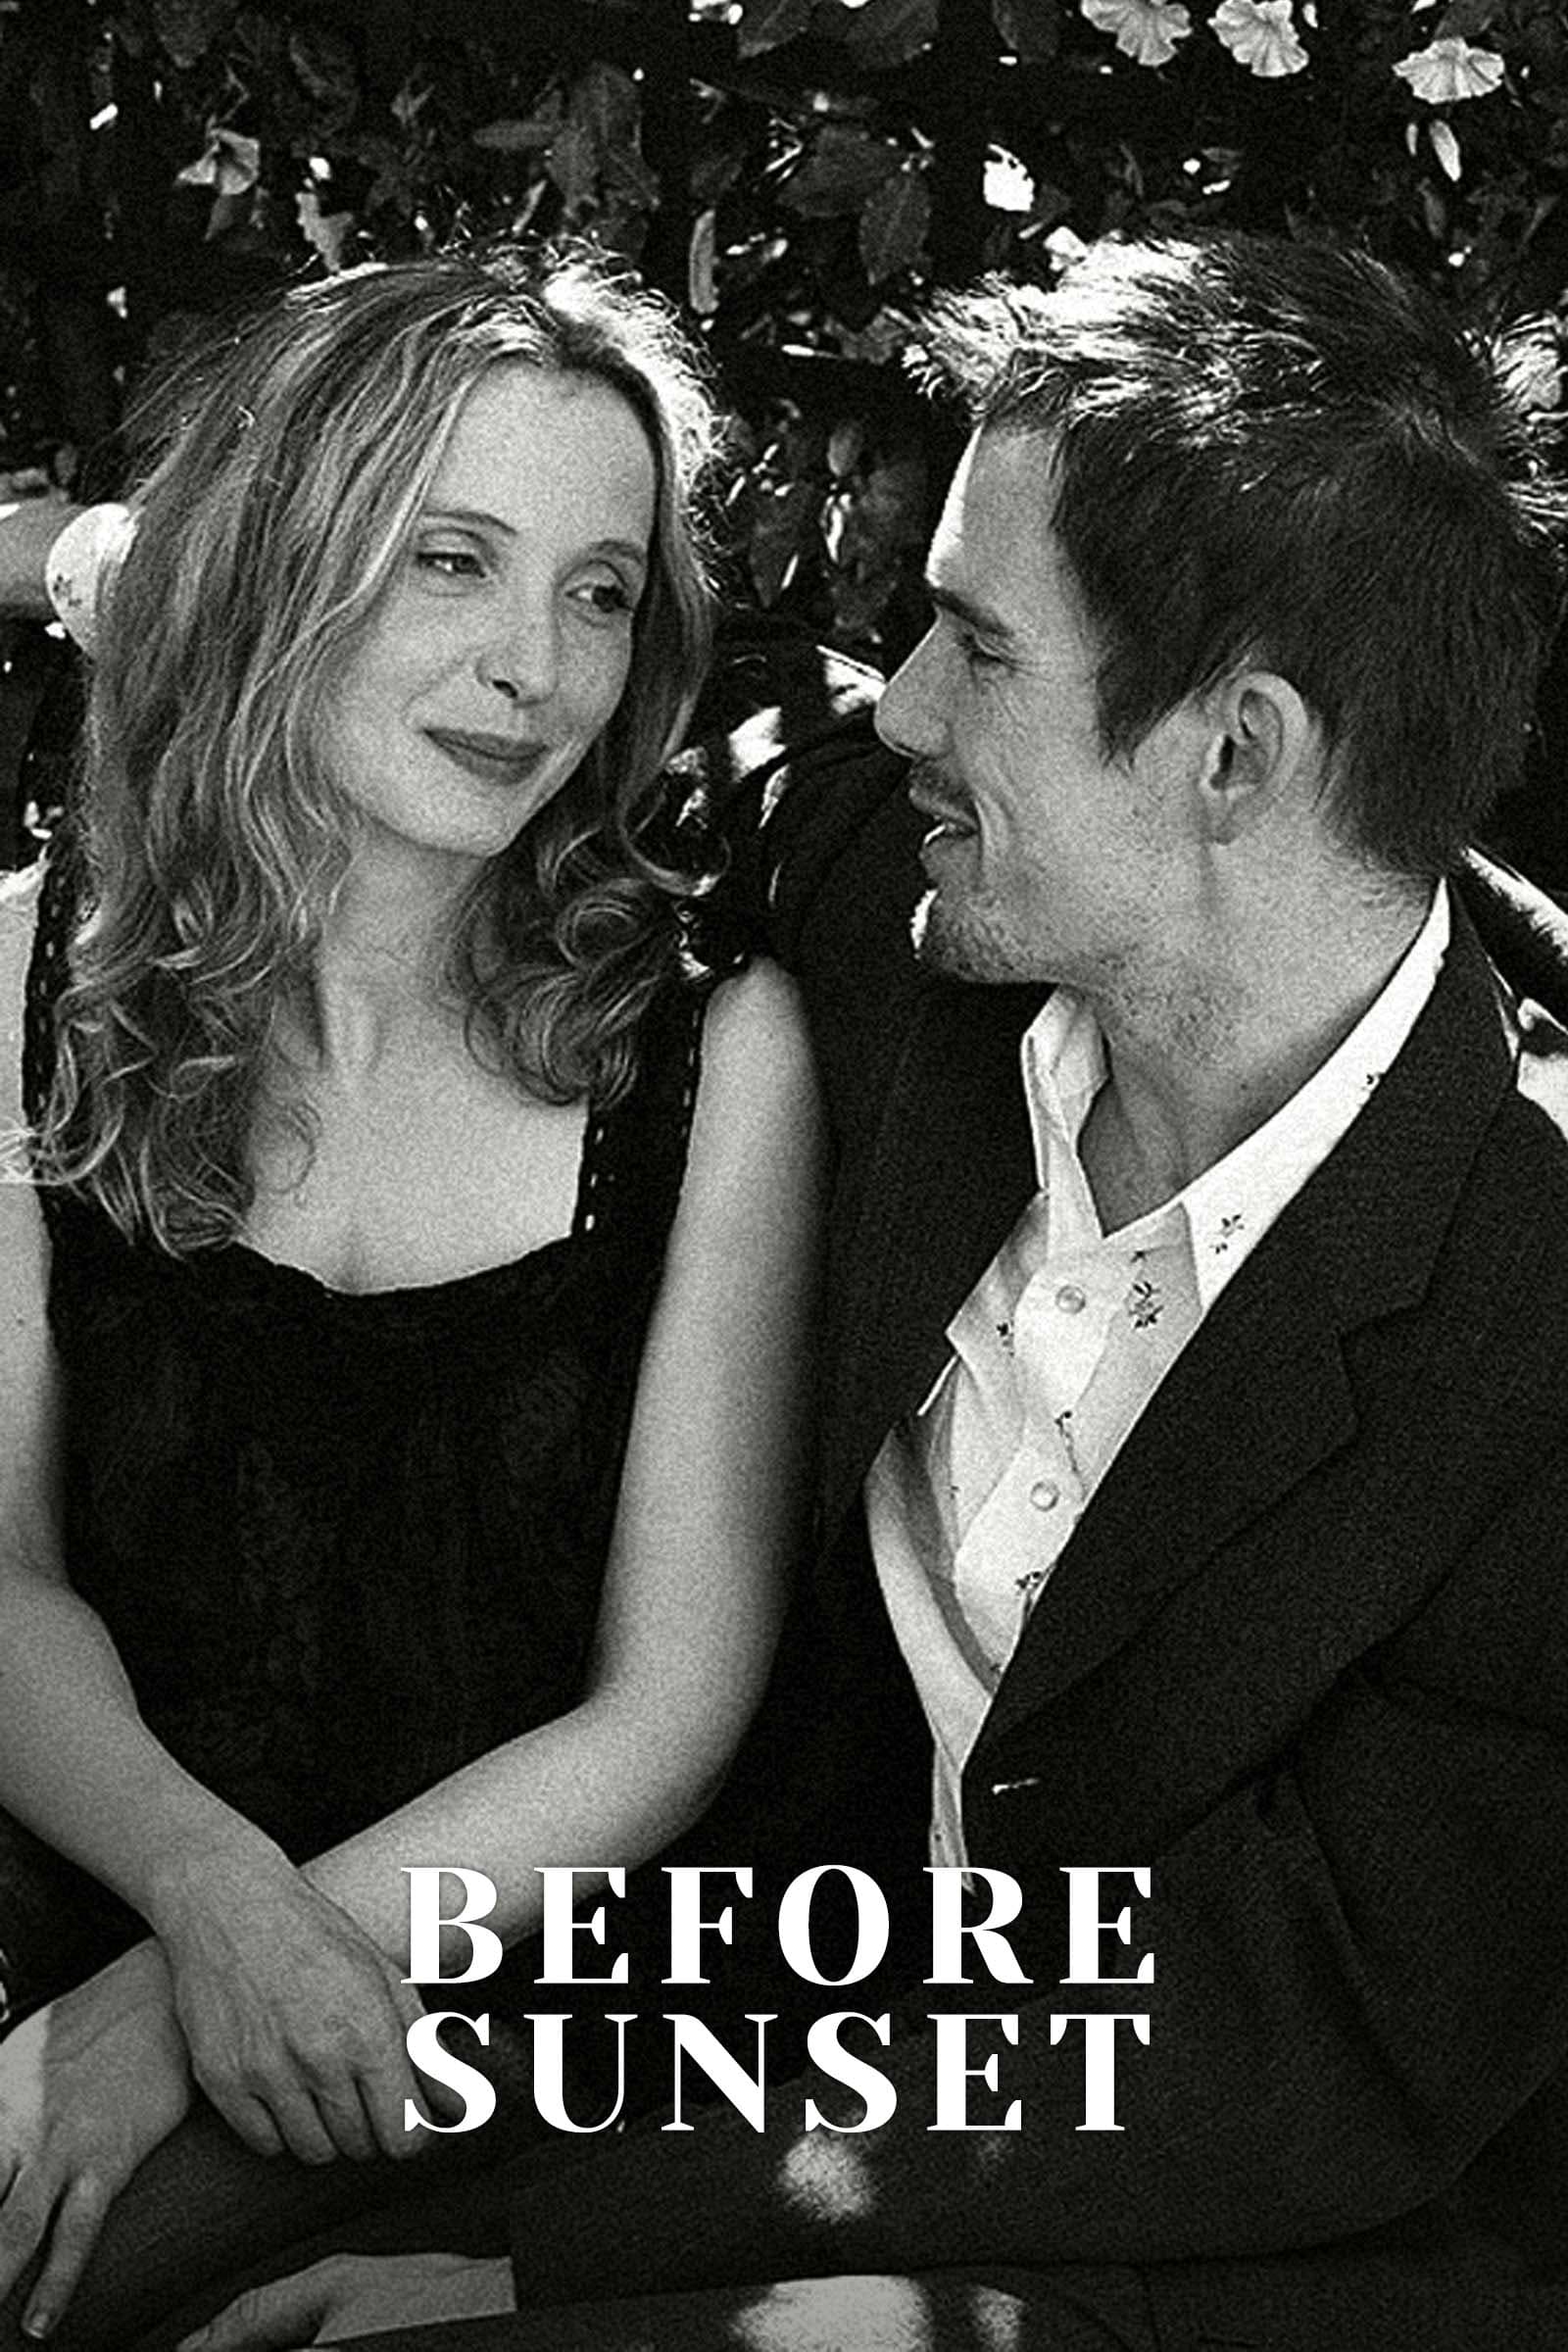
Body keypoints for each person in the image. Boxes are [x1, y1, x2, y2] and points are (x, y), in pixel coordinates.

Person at [176, 231, 1568, 2351]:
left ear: (1235, 752)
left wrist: (562, 2257)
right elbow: (589, 713)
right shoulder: (896, 907)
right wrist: (128, 584)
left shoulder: (1532, 1316)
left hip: (1241, 2235)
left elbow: (1303, 2056)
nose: (898, 700)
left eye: (974, 648)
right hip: (724, 2019)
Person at [0, 249, 824, 2345]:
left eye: (598, 592)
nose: (532, 669)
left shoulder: (712, 1052)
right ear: (279, 557)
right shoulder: (21, 977)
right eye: (450, 560)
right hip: (80, 1893)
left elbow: (669, 1706)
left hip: (501, 1991)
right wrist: (198, 1900)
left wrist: (241, 1976)